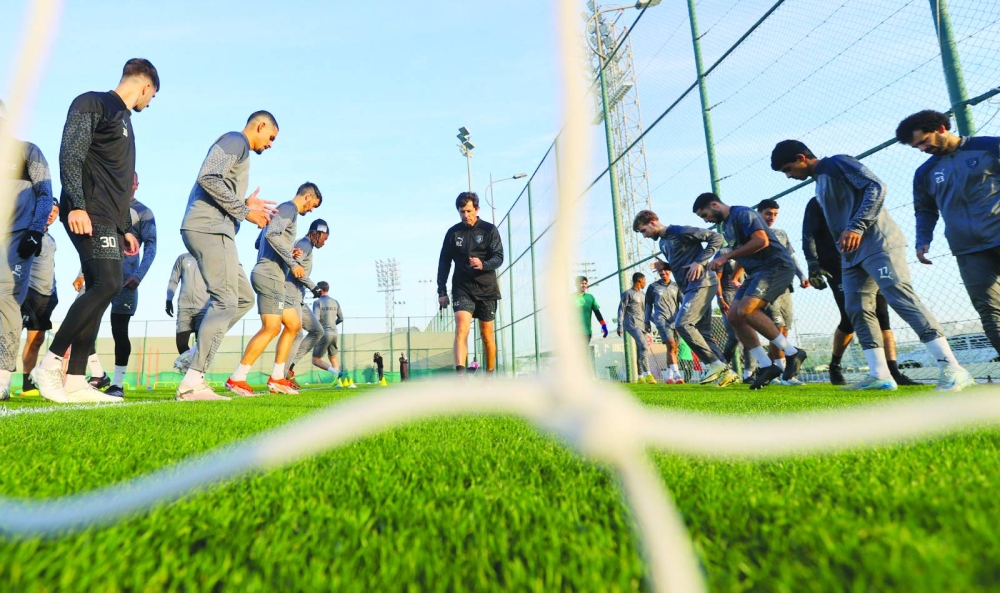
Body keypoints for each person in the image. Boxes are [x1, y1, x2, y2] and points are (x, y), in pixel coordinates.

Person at [771, 139, 972, 391]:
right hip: (851, 255)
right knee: (856, 309)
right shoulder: (820, 184)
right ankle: (880, 375)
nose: (789, 176)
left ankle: (952, 368)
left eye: (788, 169)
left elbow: (876, 187)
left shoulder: (837, 163)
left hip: (878, 244)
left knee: (902, 299)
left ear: (801, 158)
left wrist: (857, 225)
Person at [31, 59, 158, 404]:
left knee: (101, 290)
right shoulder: (93, 103)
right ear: (146, 86)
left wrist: (126, 229)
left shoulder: (126, 122)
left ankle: (74, 380)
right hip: (87, 212)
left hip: (109, 219)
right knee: (108, 283)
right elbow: (70, 155)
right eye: (153, 96)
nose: (150, 103)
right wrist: (75, 206)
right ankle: (51, 364)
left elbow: (117, 184)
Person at [176, 111, 279, 401]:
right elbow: (208, 177)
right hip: (209, 229)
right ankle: (193, 381)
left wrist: (244, 202)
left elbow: (219, 185)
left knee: (244, 297)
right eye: (270, 137)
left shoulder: (240, 148)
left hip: (217, 230)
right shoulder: (237, 141)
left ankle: (194, 356)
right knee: (226, 300)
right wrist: (246, 211)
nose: (270, 145)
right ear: (260, 126)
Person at [896, 110, 1000, 364]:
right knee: (989, 310)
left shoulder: (989, 147)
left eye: (923, 141)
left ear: (941, 128)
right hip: (967, 248)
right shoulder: (924, 173)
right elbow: (925, 209)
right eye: (916, 146)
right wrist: (923, 240)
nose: (921, 148)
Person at [694, 193, 808, 390]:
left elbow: (760, 241)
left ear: (714, 205)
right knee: (733, 317)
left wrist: (724, 257)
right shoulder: (727, 224)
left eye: (705, 214)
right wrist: (736, 275)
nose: (706, 220)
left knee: (747, 310)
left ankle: (792, 353)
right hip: (756, 272)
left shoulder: (743, 213)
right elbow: (743, 249)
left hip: (775, 266)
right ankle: (765, 366)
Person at [802, 196, 919, 386]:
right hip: (837, 264)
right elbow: (808, 234)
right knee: (850, 318)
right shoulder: (818, 201)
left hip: (867, 258)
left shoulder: (866, 195)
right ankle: (835, 365)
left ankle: (893, 371)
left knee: (882, 316)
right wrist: (813, 263)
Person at [226, 183, 322, 397]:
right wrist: (292, 261)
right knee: (271, 328)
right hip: (268, 276)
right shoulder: (289, 208)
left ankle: (278, 377)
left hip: (274, 277)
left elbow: (259, 240)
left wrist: (290, 251)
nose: (312, 210)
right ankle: (237, 378)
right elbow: (270, 235)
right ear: (307, 196)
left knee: (294, 324)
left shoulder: (286, 211)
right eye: (313, 205)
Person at [633, 209, 738, 386]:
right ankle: (728, 373)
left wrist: (700, 262)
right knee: (703, 333)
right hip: (690, 287)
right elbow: (681, 264)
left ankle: (715, 364)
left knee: (682, 324)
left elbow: (716, 237)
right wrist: (665, 265)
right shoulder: (663, 243)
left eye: (643, 231)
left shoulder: (679, 231)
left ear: (652, 223)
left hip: (702, 283)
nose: (644, 236)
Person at [0, 99, 54, 401]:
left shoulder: (27, 151)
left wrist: (35, 231)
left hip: (18, 238)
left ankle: (3, 376)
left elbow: (45, 192)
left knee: (6, 300)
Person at [100, 172, 156, 398]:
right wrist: (82, 273)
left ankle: (117, 384)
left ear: (137, 185)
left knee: (119, 331)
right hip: (99, 278)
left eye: (131, 181)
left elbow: (151, 247)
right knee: (84, 326)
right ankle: (93, 375)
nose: (127, 185)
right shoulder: (106, 206)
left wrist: (139, 275)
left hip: (126, 283)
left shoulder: (144, 213)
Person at [436, 192, 504, 375]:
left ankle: (489, 377)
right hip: (462, 287)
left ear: (477, 209)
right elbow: (444, 262)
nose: (465, 215)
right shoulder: (453, 233)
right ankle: (461, 378)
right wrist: (441, 291)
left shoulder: (489, 230)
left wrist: (484, 264)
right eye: (461, 212)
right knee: (461, 328)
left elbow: (499, 257)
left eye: (468, 211)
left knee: (487, 335)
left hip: (486, 288)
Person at [756, 199, 810, 385]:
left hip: (785, 287)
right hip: (766, 286)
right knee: (776, 328)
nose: (772, 218)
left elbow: (791, 257)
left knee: (784, 330)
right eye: (768, 213)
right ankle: (782, 373)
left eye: (775, 214)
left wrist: (802, 275)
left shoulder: (781, 234)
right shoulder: (753, 233)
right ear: (759, 213)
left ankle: (779, 370)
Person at [19, 201, 59, 397]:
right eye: (49, 210)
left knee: (36, 340)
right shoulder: (28, 234)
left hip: (46, 295)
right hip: (28, 293)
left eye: (55, 212)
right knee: (10, 336)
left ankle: (27, 385)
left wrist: (54, 291)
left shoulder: (50, 238)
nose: (51, 214)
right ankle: (4, 379)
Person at [284, 220, 331, 386]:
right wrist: (314, 288)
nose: (324, 243)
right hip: (289, 295)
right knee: (295, 333)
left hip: (298, 297)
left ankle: (288, 367)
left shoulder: (306, 245)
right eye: (324, 238)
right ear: (317, 233)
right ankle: (281, 376)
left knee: (317, 330)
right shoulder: (305, 244)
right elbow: (294, 267)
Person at [644, 262, 683, 384]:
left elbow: (683, 302)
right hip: (661, 320)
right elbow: (648, 305)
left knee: (673, 349)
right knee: (671, 345)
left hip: (676, 321)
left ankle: (669, 375)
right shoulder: (653, 287)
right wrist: (647, 321)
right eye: (661, 271)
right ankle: (677, 375)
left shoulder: (676, 286)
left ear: (670, 271)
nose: (663, 273)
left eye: (665, 270)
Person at [166, 251, 208, 355]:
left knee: (202, 344)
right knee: (181, 343)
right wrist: (169, 299)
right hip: (184, 307)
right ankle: (188, 369)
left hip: (203, 307)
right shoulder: (182, 258)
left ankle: (197, 370)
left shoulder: (209, 257)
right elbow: (173, 280)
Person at [617, 272, 656, 384]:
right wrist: (620, 325)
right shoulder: (628, 293)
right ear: (639, 281)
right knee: (644, 346)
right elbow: (621, 309)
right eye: (644, 281)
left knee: (641, 349)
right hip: (631, 325)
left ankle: (640, 376)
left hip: (642, 325)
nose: (645, 283)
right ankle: (648, 374)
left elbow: (647, 312)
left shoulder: (643, 295)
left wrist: (656, 323)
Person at [308, 281, 345, 382]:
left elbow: (316, 319)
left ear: (319, 290)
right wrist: (332, 324)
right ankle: (338, 382)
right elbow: (341, 318)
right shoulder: (335, 301)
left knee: (315, 360)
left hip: (324, 334)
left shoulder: (317, 302)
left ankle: (335, 373)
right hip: (334, 333)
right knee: (332, 356)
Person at [575, 275, 608, 367]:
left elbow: (597, 313)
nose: (584, 285)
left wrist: (603, 325)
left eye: (586, 283)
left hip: (586, 331)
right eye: (582, 283)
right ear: (577, 284)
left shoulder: (590, 298)